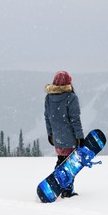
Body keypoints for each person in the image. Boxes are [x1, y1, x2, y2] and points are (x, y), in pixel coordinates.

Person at [44, 70, 85, 198]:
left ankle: (58, 183)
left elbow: (47, 117)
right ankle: (67, 190)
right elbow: (75, 119)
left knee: (62, 161)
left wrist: (50, 134)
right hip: (70, 139)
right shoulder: (71, 98)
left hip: (57, 138)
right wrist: (80, 137)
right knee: (69, 165)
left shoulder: (48, 98)